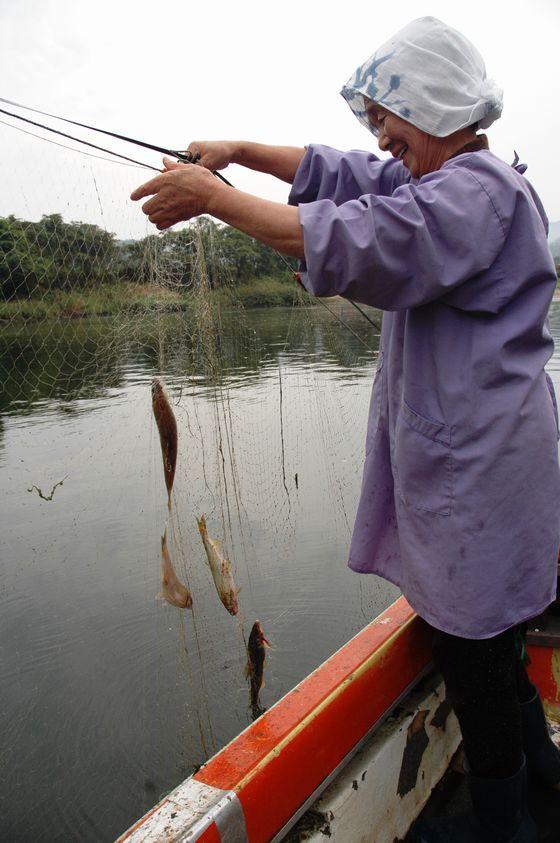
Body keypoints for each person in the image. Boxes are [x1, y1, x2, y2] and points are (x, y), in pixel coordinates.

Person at [131, 16, 560, 841]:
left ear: (434, 106)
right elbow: (344, 177)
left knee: (476, 660)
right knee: (494, 641)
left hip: (481, 478)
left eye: (389, 123)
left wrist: (215, 201)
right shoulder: (443, 178)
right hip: (482, 469)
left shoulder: (473, 194)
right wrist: (238, 151)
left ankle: (507, 819)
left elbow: (366, 234)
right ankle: (544, 761)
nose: (380, 141)